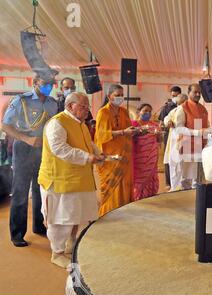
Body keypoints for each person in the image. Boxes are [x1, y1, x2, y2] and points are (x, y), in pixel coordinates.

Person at [38, 92, 103, 268]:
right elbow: (60, 149)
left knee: (76, 215)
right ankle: (57, 252)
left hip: (80, 179)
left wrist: (97, 152)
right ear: (70, 106)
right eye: (83, 106)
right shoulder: (57, 123)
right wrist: (87, 157)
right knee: (60, 219)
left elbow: (88, 143)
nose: (87, 110)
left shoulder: (81, 124)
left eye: (88, 106)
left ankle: (71, 244)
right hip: (59, 180)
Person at [1, 76, 58, 247]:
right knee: (20, 191)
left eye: (51, 84)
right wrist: (26, 139)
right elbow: (5, 125)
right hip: (24, 147)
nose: (48, 87)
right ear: (35, 84)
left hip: (44, 148)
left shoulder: (53, 103)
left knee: (40, 188)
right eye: (44, 84)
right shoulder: (21, 100)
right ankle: (17, 233)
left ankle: (39, 226)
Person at [95, 84, 137, 216]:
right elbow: (101, 134)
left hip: (125, 156)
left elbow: (129, 130)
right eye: (117, 95)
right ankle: (109, 213)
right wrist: (123, 132)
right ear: (109, 96)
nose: (120, 97)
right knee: (112, 188)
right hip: (110, 158)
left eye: (121, 95)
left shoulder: (124, 111)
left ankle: (124, 210)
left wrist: (137, 131)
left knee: (125, 184)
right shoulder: (103, 112)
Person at [174, 83, 209, 190]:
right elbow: (179, 128)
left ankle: (196, 203)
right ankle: (185, 202)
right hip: (187, 147)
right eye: (195, 92)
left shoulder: (203, 109)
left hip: (200, 148)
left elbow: (205, 126)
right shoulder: (183, 108)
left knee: (198, 179)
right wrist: (196, 133)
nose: (198, 94)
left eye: (199, 92)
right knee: (185, 179)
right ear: (189, 93)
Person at [131, 103, 161, 201]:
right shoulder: (134, 124)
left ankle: (149, 199)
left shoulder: (155, 125)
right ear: (139, 112)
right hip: (139, 158)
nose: (147, 113)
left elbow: (159, 140)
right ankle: (137, 198)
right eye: (145, 111)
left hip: (151, 159)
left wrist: (159, 133)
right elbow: (130, 139)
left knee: (151, 179)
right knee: (138, 181)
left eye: (149, 111)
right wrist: (140, 132)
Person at [164, 93, 188, 191]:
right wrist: (168, 122)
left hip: (184, 141)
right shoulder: (174, 110)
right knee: (173, 164)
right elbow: (166, 118)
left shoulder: (189, 110)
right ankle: (174, 187)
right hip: (173, 140)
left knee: (182, 166)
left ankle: (181, 187)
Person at [159, 86, 182, 188]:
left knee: (182, 160)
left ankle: (182, 183)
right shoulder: (167, 107)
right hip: (169, 135)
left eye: (176, 96)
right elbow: (162, 121)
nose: (174, 98)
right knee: (169, 159)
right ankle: (169, 183)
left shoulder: (185, 107)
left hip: (183, 137)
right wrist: (167, 123)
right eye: (173, 96)